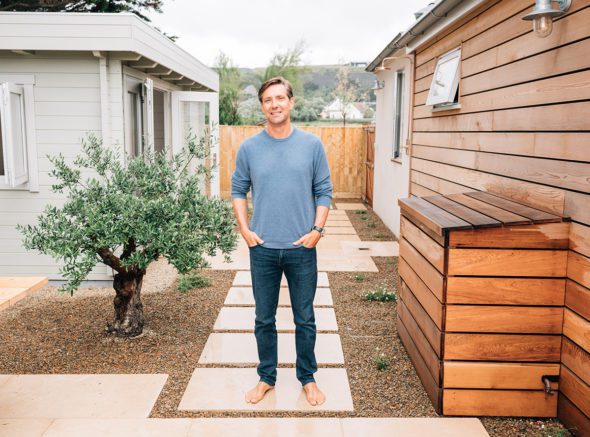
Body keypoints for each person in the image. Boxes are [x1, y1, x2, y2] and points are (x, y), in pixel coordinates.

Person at [231, 76, 333, 406]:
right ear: (262, 106)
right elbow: (238, 191)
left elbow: (324, 192)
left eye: (279, 98)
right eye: (268, 100)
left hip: (302, 248)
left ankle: (308, 378)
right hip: (262, 249)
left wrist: (317, 231)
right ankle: (266, 377)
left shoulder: (311, 145)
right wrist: (245, 230)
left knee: (304, 318)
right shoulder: (249, 148)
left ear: (291, 102)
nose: (274, 104)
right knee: (264, 318)